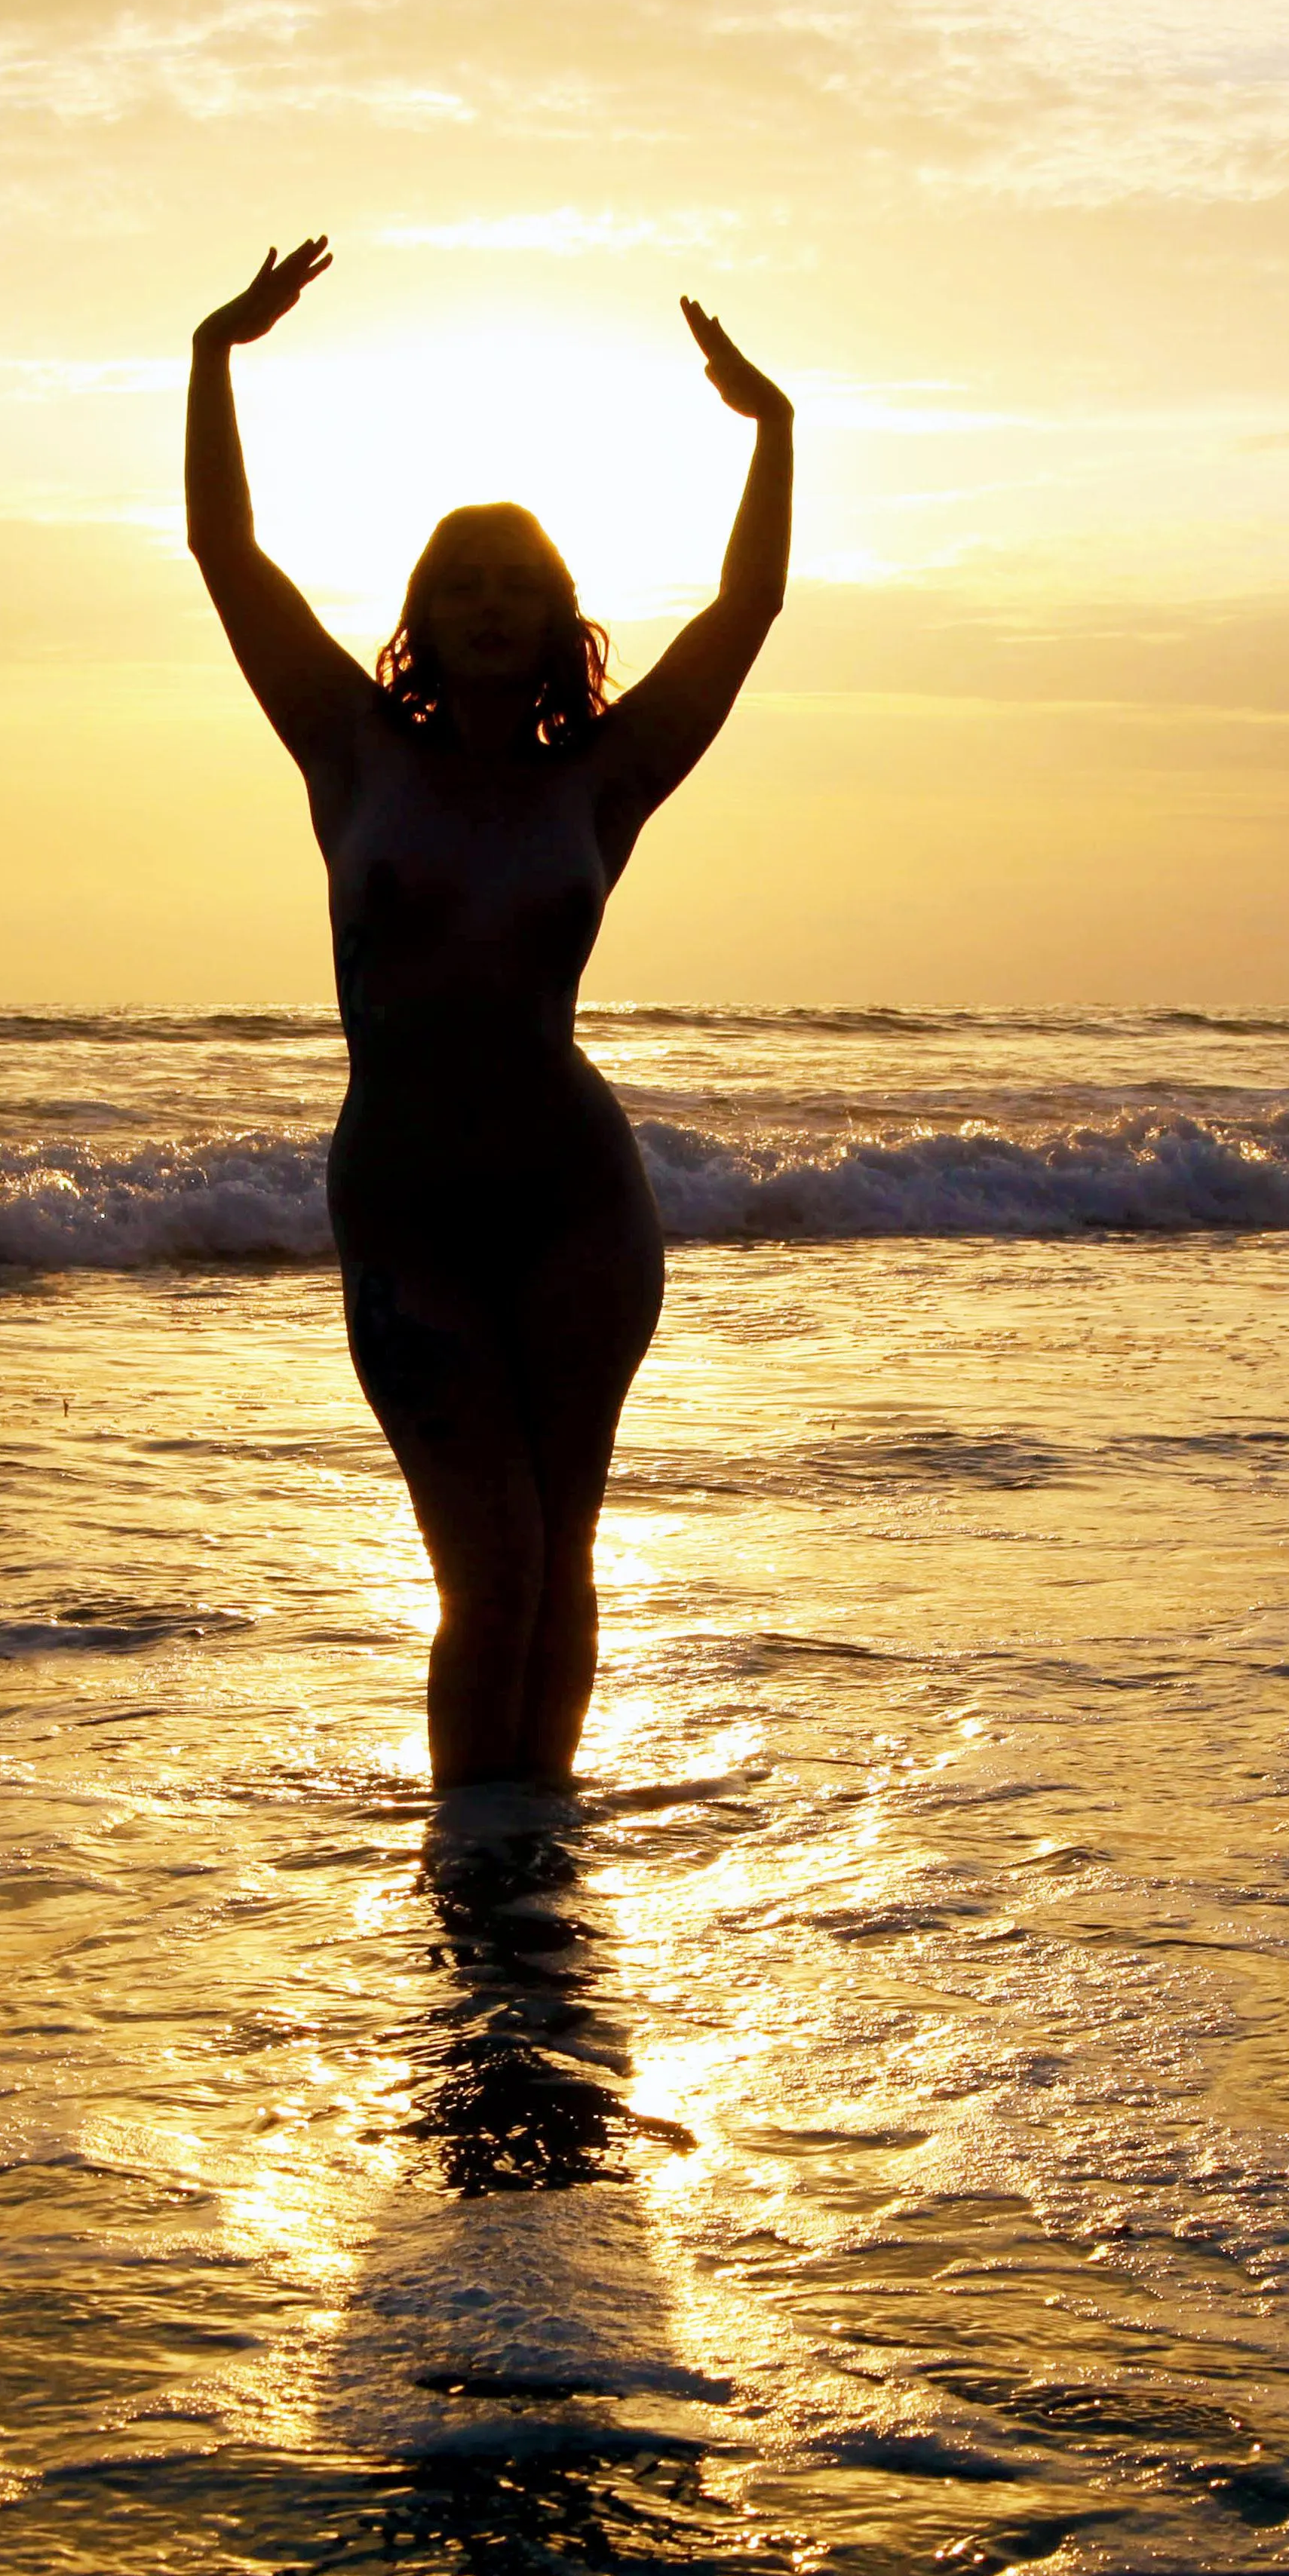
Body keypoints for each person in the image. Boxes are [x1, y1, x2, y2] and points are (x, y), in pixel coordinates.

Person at [185, 237, 793, 1788]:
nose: (490, 604)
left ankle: (539, 1858)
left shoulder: (606, 777)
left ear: (560, 615)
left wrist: (772, 430)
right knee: (488, 1570)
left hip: (577, 1203)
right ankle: (469, 1858)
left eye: (519, 584)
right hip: (408, 1211)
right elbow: (225, 553)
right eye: (463, 583)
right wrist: (214, 355)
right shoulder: (348, 750)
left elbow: (748, 606)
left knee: (562, 1552)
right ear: (423, 612)